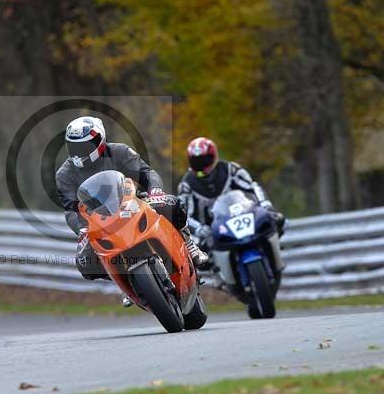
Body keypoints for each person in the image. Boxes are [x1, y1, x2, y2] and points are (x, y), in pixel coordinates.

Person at [55, 116, 210, 295]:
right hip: (100, 222)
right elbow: (70, 209)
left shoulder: (120, 151)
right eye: (73, 146)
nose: (78, 152)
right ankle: (127, 284)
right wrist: (82, 229)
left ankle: (189, 244)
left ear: (100, 140)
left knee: (174, 204)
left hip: (134, 203)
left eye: (84, 146)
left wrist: (156, 191)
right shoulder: (64, 175)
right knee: (85, 263)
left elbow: (146, 173)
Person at [177, 136, 286, 273]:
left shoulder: (231, 169)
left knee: (278, 219)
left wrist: (265, 205)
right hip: (211, 229)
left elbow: (253, 187)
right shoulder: (186, 184)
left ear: (214, 156)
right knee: (197, 253)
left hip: (240, 215)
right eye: (197, 162)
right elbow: (183, 213)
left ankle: (274, 256)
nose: (202, 165)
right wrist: (199, 229)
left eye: (205, 160)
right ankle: (219, 277)